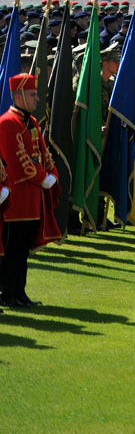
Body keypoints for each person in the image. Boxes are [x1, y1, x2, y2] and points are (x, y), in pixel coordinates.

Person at [0, 74, 62, 308]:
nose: (37, 98)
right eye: (32, 94)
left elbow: (44, 154)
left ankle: (19, 292)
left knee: (23, 249)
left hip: (33, 196)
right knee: (12, 248)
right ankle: (7, 292)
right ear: (18, 96)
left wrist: (52, 174)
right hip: (15, 198)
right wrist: (43, 177)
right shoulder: (8, 122)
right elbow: (17, 162)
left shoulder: (32, 122)